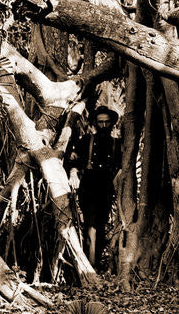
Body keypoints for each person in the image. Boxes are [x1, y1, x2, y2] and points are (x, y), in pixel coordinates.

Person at [66, 105, 120, 269]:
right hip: (89, 185)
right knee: (90, 223)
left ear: (112, 123)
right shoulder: (86, 141)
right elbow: (74, 160)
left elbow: (121, 165)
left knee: (101, 225)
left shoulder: (116, 144)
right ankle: (90, 264)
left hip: (106, 186)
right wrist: (73, 173)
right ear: (95, 123)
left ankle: (95, 260)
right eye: (100, 122)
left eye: (107, 122)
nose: (104, 125)